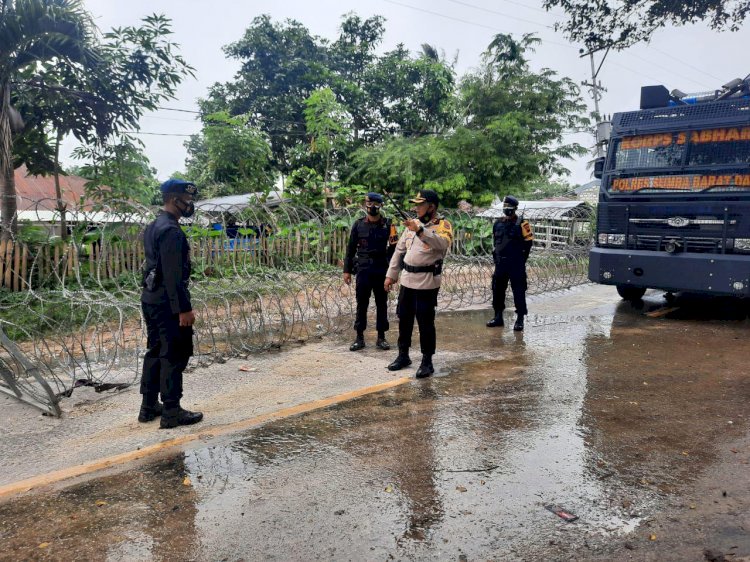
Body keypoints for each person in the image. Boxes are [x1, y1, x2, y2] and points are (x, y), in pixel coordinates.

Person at [139, 178, 204, 429]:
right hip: (168, 303)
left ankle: (148, 406)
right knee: (173, 354)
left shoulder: (154, 226)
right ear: (173, 199)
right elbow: (174, 276)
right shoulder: (172, 232)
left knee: (155, 350)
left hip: (151, 299)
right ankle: (172, 410)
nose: (190, 204)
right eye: (187, 200)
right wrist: (184, 309)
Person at [384, 189, 453, 378]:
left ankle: (427, 361)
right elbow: (399, 251)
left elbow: (442, 245)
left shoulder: (442, 226)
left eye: (420, 204)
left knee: (425, 323)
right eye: (415, 204)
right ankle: (403, 355)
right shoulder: (411, 226)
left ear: (431, 207)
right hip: (407, 280)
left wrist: (421, 231)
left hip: (427, 282)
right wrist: (391, 275)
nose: (416, 208)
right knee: (404, 319)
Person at [343, 192, 398, 351]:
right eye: (369, 203)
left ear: (381, 205)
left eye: (376, 204)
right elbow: (350, 249)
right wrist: (347, 270)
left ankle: (381, 338)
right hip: (363, 269)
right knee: (362, 303)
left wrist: (392, 272)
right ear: (364, 204)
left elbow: (395, 249)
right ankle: (359, 337)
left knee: (382, 303)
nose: (372, 207)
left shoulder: (389, 225)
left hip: (381, 268)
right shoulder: (358, 225)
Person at [486, 195, 534, 331]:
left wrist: (520, 260)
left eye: (510, 208)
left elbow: (528, 244)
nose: (507, 210)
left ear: (515, 209)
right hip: (501, 263)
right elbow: (496, 242)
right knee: (497, 290)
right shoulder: (498, 223)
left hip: (516, 264)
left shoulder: (523, 224)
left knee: (518, 291)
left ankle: (520, 319)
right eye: (505, 207)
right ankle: (498, 317)